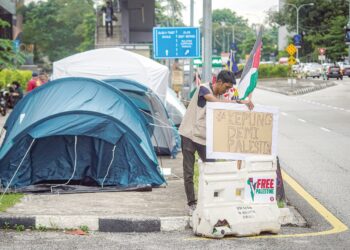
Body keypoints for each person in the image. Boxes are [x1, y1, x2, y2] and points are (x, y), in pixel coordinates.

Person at [178, 70, 254, 215]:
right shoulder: (204, 88)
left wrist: (243, 104)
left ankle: (210, 200)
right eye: (226, 87)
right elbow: (214, 101)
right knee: (188, 172)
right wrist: (238, 102)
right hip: (188, 134)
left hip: (203, 138)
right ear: (218, 82)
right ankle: (192, 204)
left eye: (229, 88)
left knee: (212, 168)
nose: (227, 90)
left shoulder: (220, 95)